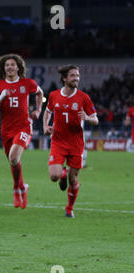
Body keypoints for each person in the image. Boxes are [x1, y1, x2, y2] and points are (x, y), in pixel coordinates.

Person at [0, 53, 44, 209]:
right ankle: (22, 187)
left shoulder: (27, 83)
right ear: (3, 69)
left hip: (24, 127)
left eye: (12, 64)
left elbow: (40, 93)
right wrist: (0, 99)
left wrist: (38, 110)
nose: (9, 67)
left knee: (13, 157)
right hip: (6, 130)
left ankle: (16, 189)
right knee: (14, 161)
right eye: (7, 65)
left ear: (18, 67)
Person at [43, 65, 98, 218]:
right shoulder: (54, 95)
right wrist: (45, 126)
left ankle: (69, 208)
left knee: (73, 179)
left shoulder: (83, 97)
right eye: (73, 75)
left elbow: (96, 119)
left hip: (76, 143)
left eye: (77, 75)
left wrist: (87, 118)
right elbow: (47, 112)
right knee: (54, 176)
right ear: (64, 79)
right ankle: (62, 174)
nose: (76, 78)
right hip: (58, 141)